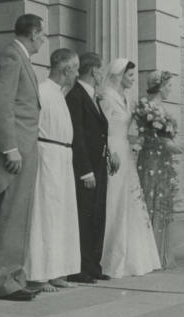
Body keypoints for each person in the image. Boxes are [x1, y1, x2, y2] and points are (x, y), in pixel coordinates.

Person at [0, 14, 45, 301]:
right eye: (42, 35)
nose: (44, 40)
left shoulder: (18, 57)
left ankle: (16, 276)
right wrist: (10, 148)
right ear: (34, 33)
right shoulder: (12, 57)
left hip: (24, 149)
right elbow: (1, 104)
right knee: (10, 217)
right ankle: (6, 281)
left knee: (18, 216)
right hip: (15, 153)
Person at [24, 48, 81, 292]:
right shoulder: (42, 91)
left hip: (62, 159)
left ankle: (58, 271)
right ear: (66, 70)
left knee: (62, 217)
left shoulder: (59, 94)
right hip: (47, 159)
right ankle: (40, 274)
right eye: (76, 69)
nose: (77, 74)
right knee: (45, 216)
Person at [99, 58, 161, 277]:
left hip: (125, 149)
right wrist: (109, 150)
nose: (133, 80)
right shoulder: (106, 96)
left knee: (129, 200)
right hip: (113, 150)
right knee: (114, 200)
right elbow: (102, 126)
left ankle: (133, 257)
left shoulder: (125, 98)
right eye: (131, 75)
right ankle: (110, 259)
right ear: (119, 75)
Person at [66, 52, 115, 283]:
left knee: (97, 215)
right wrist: (85, 170)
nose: (103, 74)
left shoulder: (92, 96)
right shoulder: (76, 96)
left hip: (99, 165)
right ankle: (80, 268)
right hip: (87, 169)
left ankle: (94, 266)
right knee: (86, 216)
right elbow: (78, 136)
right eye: (101, 70)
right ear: (94, 70)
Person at [137, 70, 180, 269]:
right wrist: (164, 142)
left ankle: (161, 253)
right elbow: (148, 135)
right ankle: (149, 253)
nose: (171, 89)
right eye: (169, 85)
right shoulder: (147, 107)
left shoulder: (161, 108)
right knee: (150, 198)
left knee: (162, 200)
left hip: (163, 160)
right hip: (151, 159)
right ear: (160, 86)